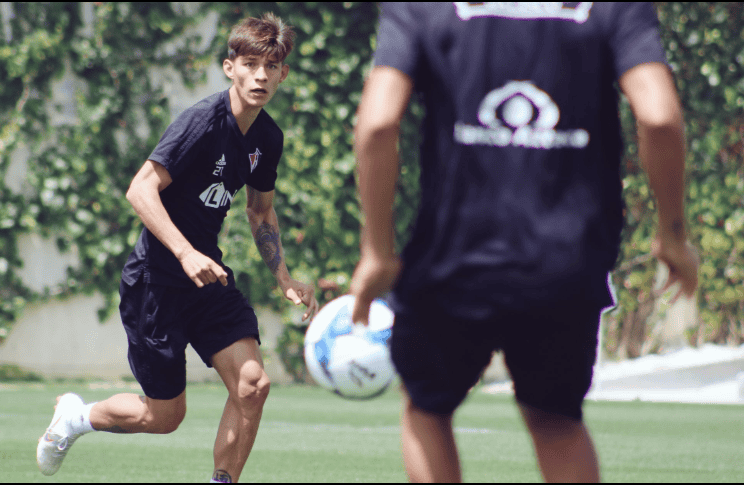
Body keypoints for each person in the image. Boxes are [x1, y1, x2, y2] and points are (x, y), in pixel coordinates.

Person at [350, 3, 699, 482]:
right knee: (556, 420)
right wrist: (672, 234)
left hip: (453, 260)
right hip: (565, 263)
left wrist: (377, 251)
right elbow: (659, 117)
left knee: (427, 408)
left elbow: (377, 123)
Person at [37, 13, 317, 483]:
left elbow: (261, 211)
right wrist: (185, 252)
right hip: (157, 281)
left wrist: (284, 278)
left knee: (253, 385)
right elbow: (141, 190)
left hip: (207, 279)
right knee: (164, 417)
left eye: (271, 66)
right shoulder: (202, 123)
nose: (261, 76)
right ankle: (76, 418)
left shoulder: (268, 139)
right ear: (231, 67)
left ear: (283, 73)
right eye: (250, 64)